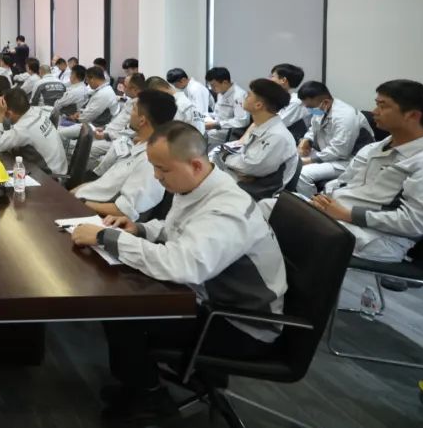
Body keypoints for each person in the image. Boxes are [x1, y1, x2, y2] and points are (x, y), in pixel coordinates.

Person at [72, 122, 287, 424]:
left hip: (240, 324)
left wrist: (105, 237)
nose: (156, 177)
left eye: (162, 169)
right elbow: (179, 228)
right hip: (212, 298)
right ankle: (137, 384)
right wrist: (141, 229)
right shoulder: (200, 185)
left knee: (123, 312)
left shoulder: (227, 211)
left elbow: (182, 265)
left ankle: (150, 397)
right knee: (122, 300)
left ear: (195, 164)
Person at [308, 80, 423, 262]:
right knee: (272, 205)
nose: (374, 111)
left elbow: (414, 223)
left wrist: (347, 214)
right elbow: (344, 181)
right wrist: (323, 200)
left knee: (289, 225)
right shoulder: (373, 148)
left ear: (413, 115)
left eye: (383, 106)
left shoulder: (419, 161)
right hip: (339, 215)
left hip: (378, 236)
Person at [73, 90, 177, 219]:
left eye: (133, 110)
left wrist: (82, 202)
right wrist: (75, 193)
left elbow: (124, 211)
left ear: (142, 120)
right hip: (82, 199)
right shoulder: (138, 145)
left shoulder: (149, 162)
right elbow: (104, 184)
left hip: (93, 214)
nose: (130, 114)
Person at [210, 79, 298, 199]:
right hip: (243, 180)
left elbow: (250, 166)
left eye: (249, 95)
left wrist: (225, 157)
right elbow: (246, 161)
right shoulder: (261, 125)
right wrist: (237, 165)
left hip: (258, 191)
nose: (244, 97)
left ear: (258, 105)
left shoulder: (277, 136)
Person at [296, 80, 373, 196]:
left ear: (325, 102)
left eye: (310, 107)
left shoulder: (345, 117)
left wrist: (309, 160)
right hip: (329, 153)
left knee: (301, 174)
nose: (309, 110)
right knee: (292, 157)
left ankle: (312, 204)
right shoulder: (323, 107)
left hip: (348, 160)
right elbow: (314, 128)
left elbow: (339, 151)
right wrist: (306, 140)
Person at [0, 88, 68, 175]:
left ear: (9, 114)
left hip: (50, 177)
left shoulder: (24, 128)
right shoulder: (36, 111)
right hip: (58, 169)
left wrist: (0, 114)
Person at [89, 73, 146, 163]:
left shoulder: (139, 107)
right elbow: (119, 122)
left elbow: (129, 132)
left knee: (88, 149)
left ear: (135, 90)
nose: (122, 88)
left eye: (125, 86)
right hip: (108, 133)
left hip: (115, 139)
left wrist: (106, 135)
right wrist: (104, 127)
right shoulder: (130, 101)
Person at [58, 66, 117, 142]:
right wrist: (80, 113)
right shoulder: (104, 89)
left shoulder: (103, 94)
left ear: (92, 79)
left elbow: (87, 117)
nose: (87, 83)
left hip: (95, 126)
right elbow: (89, 109)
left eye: (87, 80)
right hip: (90, 121)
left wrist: (75, 118)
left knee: (60, 133)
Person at [204, 67, 249, 147]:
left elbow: (241, 121)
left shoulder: (239, 95)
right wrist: (206, 115)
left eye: (213, 85)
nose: (212, 89)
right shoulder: (221, 93)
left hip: (228, 132)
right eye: (210, 85)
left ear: (225, 82)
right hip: (217, 127)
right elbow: (218, 113)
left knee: (199, 137)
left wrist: (216, 125)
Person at [269, 63, 310, 140]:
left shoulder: (295, 101)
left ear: (283, 80)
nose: (270, 79)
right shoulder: (277, 98)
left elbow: (276, 125)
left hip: (292, 142)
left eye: (272, 76)